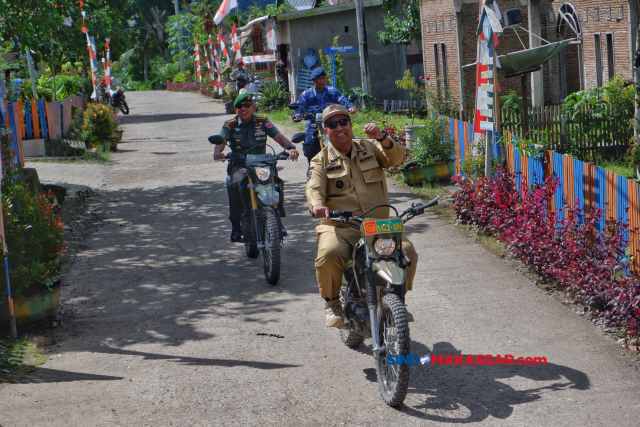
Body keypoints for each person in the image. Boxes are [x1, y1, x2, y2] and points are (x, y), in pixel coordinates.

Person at [305, 104, 418, 327]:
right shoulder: (321, 159)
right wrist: (317, 205)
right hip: (341, 227)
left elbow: (396, 158)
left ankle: (398, 299)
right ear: (325, 130)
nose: (339, 127)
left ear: (350, 124)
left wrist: (382, 137)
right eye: (332, 124)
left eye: (343, 122)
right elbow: (314, 187)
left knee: (407, 251)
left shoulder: (369, 146)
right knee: (329, 253)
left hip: (378, 226)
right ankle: (332, 303)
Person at [216, 92, 299, 242]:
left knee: (275, 183)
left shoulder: (262, 121)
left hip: (261, 163)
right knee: (235, 185)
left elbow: (278, 136)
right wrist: (218, 153)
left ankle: (276, 219)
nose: (244, 108)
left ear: (253, 107)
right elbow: (221, 141)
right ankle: (236, 225)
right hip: (240, 164)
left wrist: (290, 147)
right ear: (235, 109)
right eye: (240, 106)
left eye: (247, 105)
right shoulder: (230, 124)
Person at [292, 67, 356, 163]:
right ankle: (313, 164)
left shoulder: (333, 91)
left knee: (351, 138)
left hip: (332, 123)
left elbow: (344, 101)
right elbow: (300, 107)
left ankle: (352, 161)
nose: (321, 81)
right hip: (314, 123)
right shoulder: (306, 94)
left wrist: (350, 107)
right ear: (313, 80)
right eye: (319, 78)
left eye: (323, 78)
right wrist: (297, 115)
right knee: (309, 142)